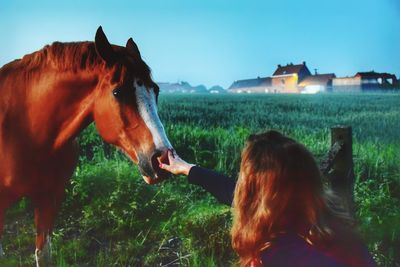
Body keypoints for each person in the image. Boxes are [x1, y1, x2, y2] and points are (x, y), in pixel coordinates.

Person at [159, 130, 376, 267]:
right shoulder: (324, 223)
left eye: (244, 177)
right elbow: (230, 191)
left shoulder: (284, 253)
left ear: (261, 194)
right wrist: (187, 169)